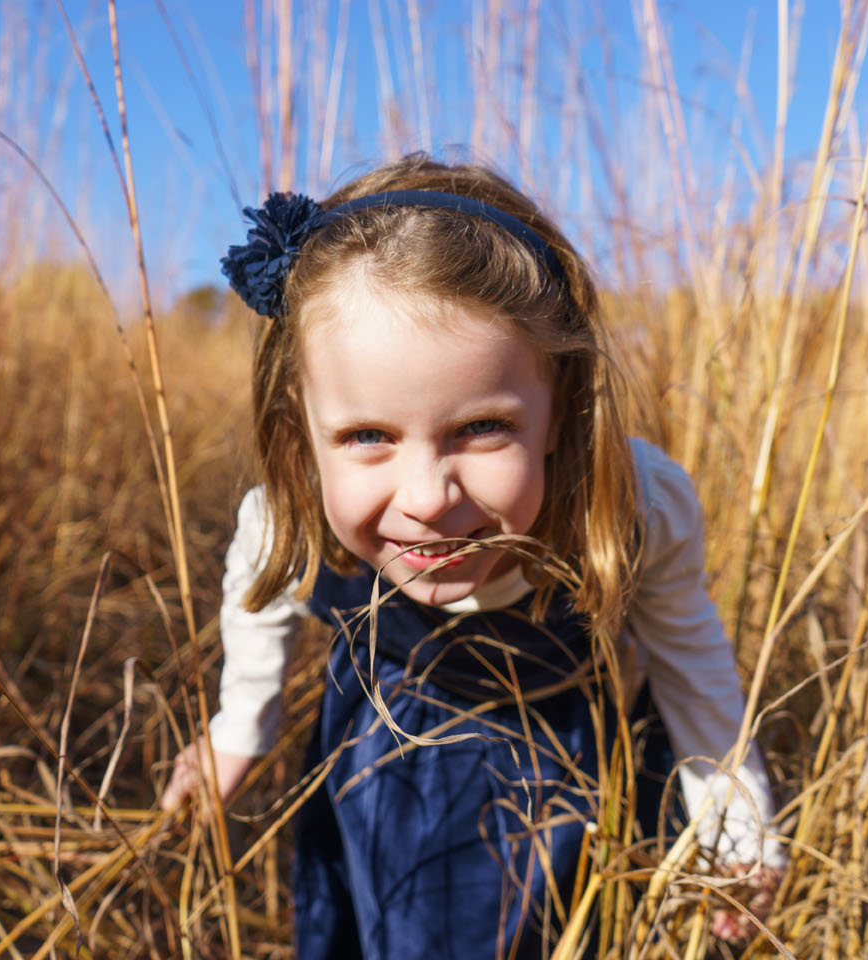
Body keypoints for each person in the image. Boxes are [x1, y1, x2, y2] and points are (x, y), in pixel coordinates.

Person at [159, 155, 784, 957]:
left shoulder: (636, 504)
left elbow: (691, 662)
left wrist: (739, 830)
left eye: (483, 428)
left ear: (559, 411)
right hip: (387, 753)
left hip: (570, 750)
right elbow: (259, 596)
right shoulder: (291, 508)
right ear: (301, 432)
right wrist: (238, 732)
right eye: (367, 437)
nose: (426, 497)